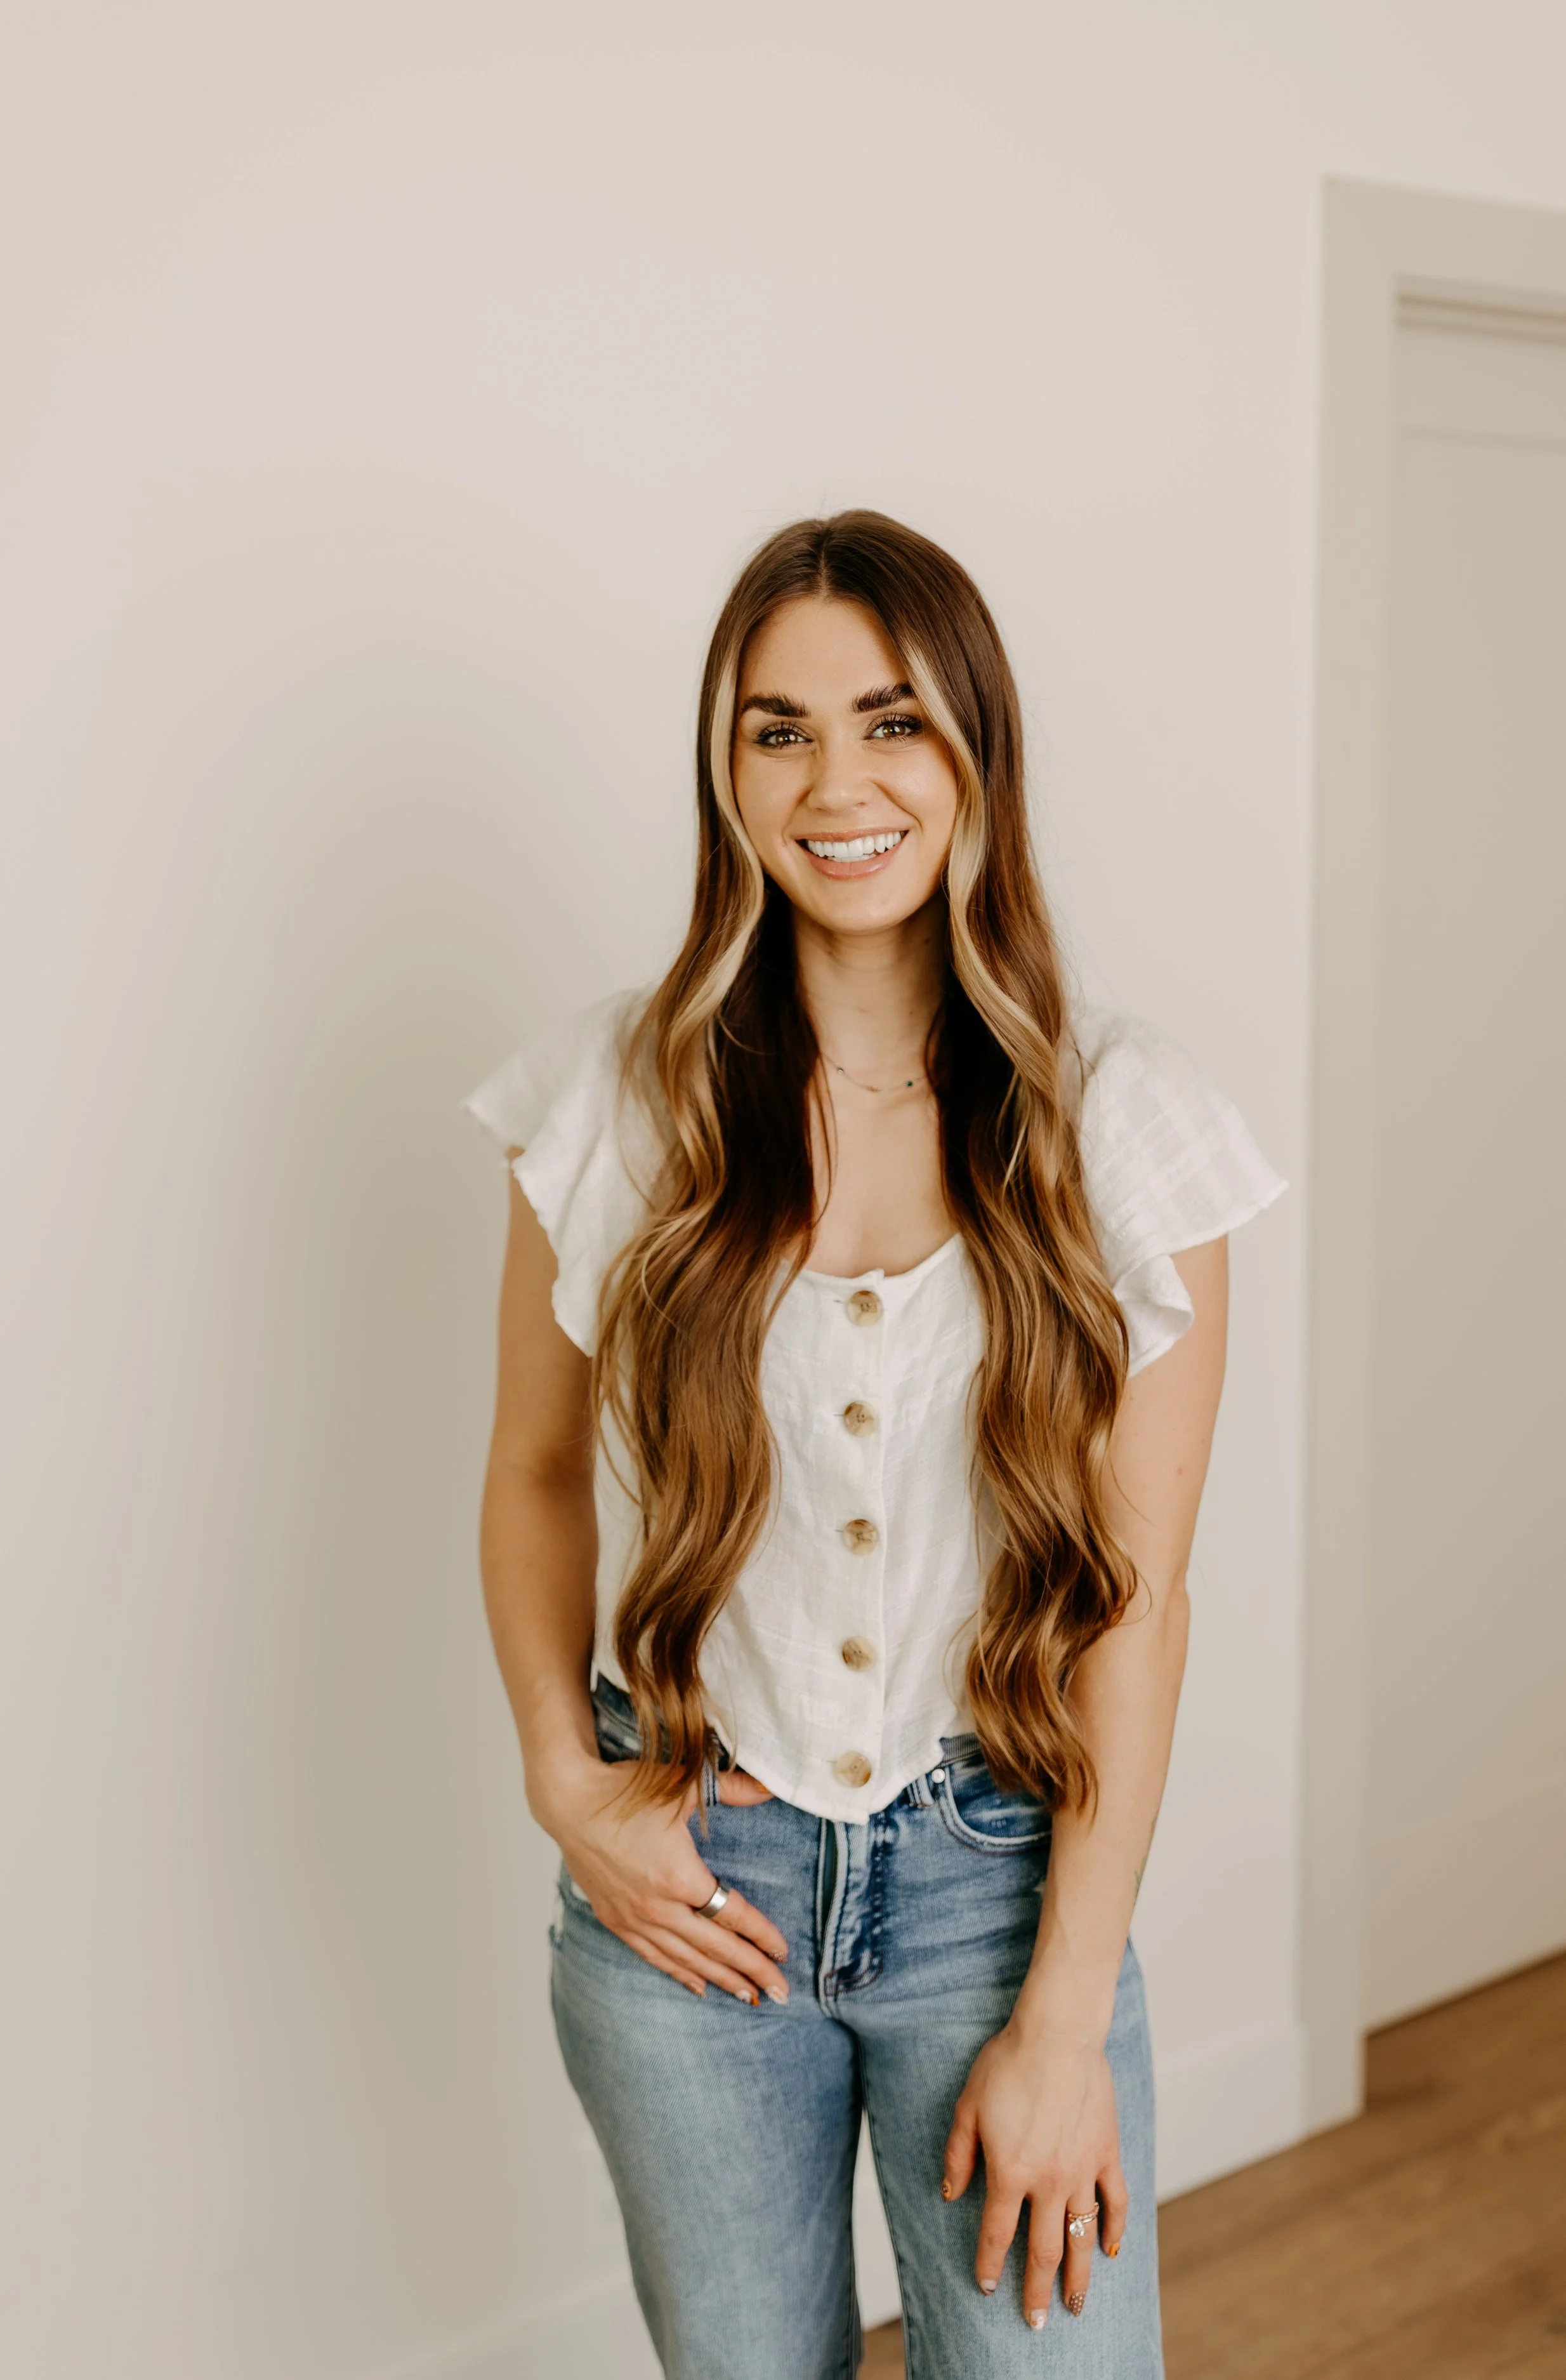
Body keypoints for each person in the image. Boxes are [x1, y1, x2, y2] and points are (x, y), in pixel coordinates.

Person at [465, 511, 1284, 2378]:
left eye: (891, 719)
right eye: (776, 728)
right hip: (690, 1906)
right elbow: (528, 1468)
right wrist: (556, 1772)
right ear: (723, 764)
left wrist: (1064, 2007)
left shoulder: (1129, 1127)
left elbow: (1137, 1597)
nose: (835, 780)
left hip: (999, 1896)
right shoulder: (616, 1094)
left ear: (973, 747)